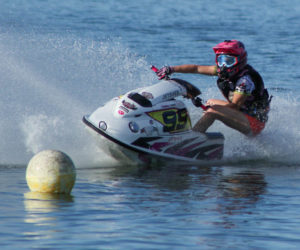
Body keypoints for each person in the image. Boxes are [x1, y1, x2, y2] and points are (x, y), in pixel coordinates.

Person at [156, 40, 271, 136]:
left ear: (240, 61)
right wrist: (171, 69)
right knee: (210, 102)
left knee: (212, 110)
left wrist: (212, 108)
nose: (224, 65)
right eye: (221, 60)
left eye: (229, 61)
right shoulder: (223, 71)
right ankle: (199, 131)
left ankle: (193, 138)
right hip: (244, 113)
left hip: (254, 123)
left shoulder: (245, 81)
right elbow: (196, 68)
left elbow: (234, 107)